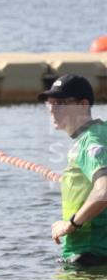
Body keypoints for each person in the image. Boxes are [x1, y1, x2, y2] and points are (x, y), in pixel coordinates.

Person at [40, 74, 107, 267]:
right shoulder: (99, 133)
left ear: (83, 105)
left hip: (89, 257)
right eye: (49, 104)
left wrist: (70, 224)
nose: (52, 110)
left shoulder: (90, 142)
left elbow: (104, 190)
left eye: (60, 103)